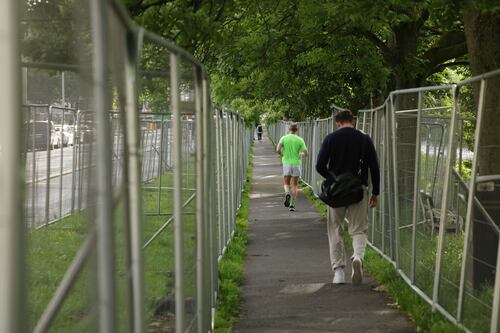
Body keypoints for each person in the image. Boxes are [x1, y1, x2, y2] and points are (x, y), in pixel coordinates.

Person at [315, 110, 380, 285]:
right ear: (353, 121)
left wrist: (332, 178)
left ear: (338, 123)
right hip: (358, 190)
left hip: (335, 192)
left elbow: (319, 165)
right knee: (359, 229)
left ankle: (338, 273)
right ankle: (357, 257)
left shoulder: (331, 138)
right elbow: (374, 167)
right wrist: (375, 193)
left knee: (335, 228)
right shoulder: (365, 139)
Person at [276, 123, 308, 212]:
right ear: (296, 130)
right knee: (294, 185)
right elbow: (306, 153)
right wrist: (300, 154)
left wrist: (283, 155)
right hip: (296, 163)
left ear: (289, 129)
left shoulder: (284, 138)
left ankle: (287, 194)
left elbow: (277, 149)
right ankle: (292, 205)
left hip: (286, 163)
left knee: (286, 183)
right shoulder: (300, 140)